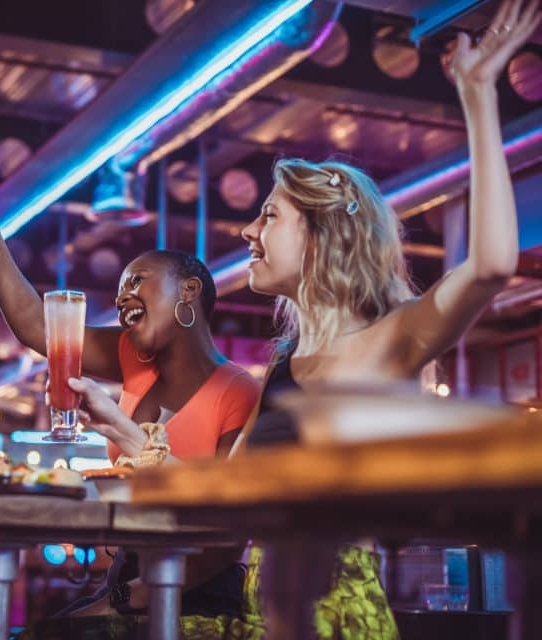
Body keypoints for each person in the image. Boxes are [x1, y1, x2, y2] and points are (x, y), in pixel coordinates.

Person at [230, 1, 538, 637]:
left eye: (269, 216)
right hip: (265, 612)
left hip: (338, 618)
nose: (247, 229)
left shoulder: (393, 340)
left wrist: (478, 95)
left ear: (319, 238)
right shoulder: (284, 364)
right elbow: (227, 491)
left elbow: (491, 264)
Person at [0, 183, 259, 635]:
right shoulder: (136, 359)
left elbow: (228, 540)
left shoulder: (239, 392)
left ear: (188, 291)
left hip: (197, 589)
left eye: (136, 280)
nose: (121, 296)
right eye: (119, 289)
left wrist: (130, 597)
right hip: (130, 574)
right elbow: (41, 329)